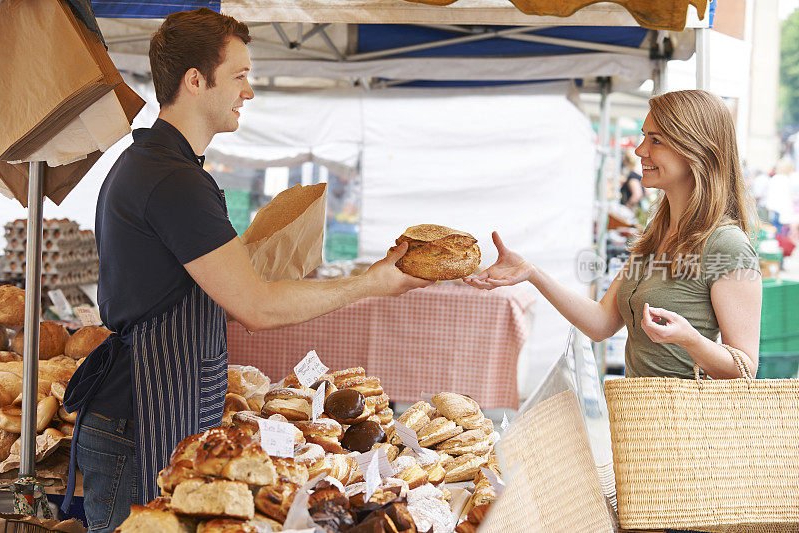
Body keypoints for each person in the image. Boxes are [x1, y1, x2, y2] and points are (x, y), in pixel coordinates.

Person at [61, 9, 430, 531]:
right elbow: (254, 307)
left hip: (146, 409)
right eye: (239, 75)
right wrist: (372, 284)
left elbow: (211, 295)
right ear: (195, 81)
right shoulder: (172, 180)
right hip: (140, 417)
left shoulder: (155, 165)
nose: (249, 91)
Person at [466, 90, 762, 381]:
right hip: (637, 420)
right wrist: (533, 273)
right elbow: (602, 323)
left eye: (655, 140)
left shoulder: (728, 245)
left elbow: (746, 367)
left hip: (688, 425)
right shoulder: (656, 233)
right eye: (644, 136)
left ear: (695, 149)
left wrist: (690, 340)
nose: (640, 150)